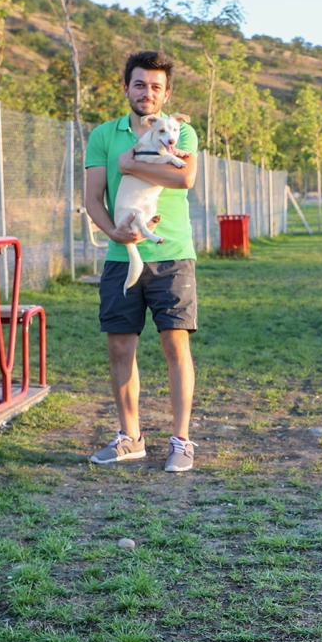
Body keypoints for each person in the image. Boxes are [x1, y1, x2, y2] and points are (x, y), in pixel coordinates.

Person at [83, 51, 201, 472]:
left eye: (155, 86)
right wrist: (113, 232)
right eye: (139, 84)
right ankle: (130, 437)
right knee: (120, 345)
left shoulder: (181, 131)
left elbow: (184, 178)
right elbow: (92, 198)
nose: (147, 92)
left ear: (166, 93)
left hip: (172, 253)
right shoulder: (104, 135)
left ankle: (181, 441)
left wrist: (131, 164)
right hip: (121, 254)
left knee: (175, 342)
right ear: (126, 88)